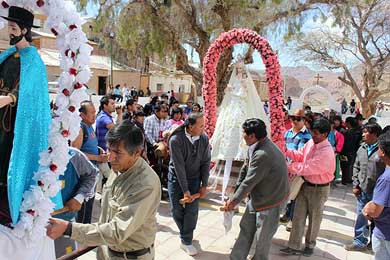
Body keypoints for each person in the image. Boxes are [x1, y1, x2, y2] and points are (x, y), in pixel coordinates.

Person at [47, 121, 161, 260]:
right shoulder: (119, 167)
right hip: (107, 250)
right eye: (109, 149)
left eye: (118, 152)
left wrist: (69, 229)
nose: (110, 157)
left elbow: (117, 231)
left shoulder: (144, 185)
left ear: (137, 152)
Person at [0, 6, 53, 226]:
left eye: (13, 28)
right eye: (8, 27)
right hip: (1, 117)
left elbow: (31, 92)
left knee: (7, 159)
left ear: (24, 29)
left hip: (16, 123)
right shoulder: (7, 55)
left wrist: (10, 98)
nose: (9, 32)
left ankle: (7, 201)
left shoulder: (34, 61)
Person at [224, 118, 289, 260]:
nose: (242, 135)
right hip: (258, 197)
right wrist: (235, 194)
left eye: (244, 133)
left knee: (262, 239)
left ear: (252, 136)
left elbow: (249, 182)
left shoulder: (263, 154)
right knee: (246, 228)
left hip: (271, 200)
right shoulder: (255, 146)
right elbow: (245, 170)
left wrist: (233, 202)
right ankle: (236, 257)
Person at [210, 60, 270, 200]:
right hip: (231, 113)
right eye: (237, 69)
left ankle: (242, 192)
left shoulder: (245, 83)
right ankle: (228, 191)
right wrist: (230, 91)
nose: (239, 72)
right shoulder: (232, 84)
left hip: (242, 113)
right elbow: (227, 98)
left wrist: (238, 89)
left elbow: (245, 96)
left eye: (241, 69)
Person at [280, 119, 335, 257]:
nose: (313, 136)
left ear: (325, 134)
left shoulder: (327, 152)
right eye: (312, 132)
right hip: (305, 185)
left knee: (314, 219)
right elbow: (300, 155)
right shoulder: (311, 142)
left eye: (316, 133)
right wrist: (286, 151)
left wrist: (287, 166)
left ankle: (310, 245)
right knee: (298, 216)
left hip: (319, 189)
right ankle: (293, 245)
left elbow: (307, 168)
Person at [168, 112, 211, 256]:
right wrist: (185, 190)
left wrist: (204, 184)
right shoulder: (176, 140)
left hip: (194, 179)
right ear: (190, 126)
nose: (203, 129)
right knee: (176, 211)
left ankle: (186, 240)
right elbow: (179, 167)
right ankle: (184, 232)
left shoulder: (204, 139)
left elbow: (205, 162)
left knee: (192, 211)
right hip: (176, 178)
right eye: (201, 126)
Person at [345, 123, 385, 251]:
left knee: (377, 218)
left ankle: (374, 242)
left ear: (375, 134)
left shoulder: (383, 150)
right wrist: (355, 184)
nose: (363, 134)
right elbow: (356, 166)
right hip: (363, 190)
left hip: (378, 192)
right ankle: (359, 242)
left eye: (366, 132)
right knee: (361, 216)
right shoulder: (362, 148)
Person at [54, 147, 98, 257]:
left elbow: (92, 174)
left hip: (63, 223)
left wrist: (79, 197)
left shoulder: (74, 156)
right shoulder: (29, 154)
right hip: (32, 228)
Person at [71, 101, 108, 223]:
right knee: (83, 210)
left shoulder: (89, 127)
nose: (94, 115)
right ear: (82, 115)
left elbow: (88, 146)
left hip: (92, 175)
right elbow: (75, 154)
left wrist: (99, 150)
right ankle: (81, 237)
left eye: (95, 112)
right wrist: (97, 158)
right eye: (91, 113)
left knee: (89, 208)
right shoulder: (80, 129)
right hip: (84, 178)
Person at [280, 109, 311, 231]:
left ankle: (292, 220)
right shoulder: (287, 133)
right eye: (293, 118)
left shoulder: (307, 136)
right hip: (286, 168)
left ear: (304, 120)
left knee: (295, 195)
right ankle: (287, 215)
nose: (295, 121)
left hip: (297, 169)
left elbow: (303, 154)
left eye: (298, 119)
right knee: (287, 193)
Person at [362, 132, 390, 260]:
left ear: (383, 152)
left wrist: (367, 209)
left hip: (385, 234)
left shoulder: (386, 179)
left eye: (378, 147)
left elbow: (374, 211)